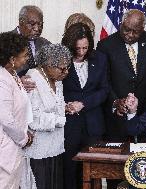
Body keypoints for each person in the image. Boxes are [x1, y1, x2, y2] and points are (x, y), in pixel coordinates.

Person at [96, 9, 146, 142]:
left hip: (145, 114)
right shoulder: (106, 45)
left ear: (142, 28)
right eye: (126, 29)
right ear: (121, 23)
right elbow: (104, 81)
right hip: (117, 117)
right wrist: (115, 102)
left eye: (136, 31)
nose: (130, 35)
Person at [61, 23, 109, 189]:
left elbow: (104, 90)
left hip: (93, 126)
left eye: (85, 48)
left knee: (92, 172)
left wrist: (83, 104)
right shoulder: (61, 59)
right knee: (69, 171)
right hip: (68, 125)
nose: (81, 52)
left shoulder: (100, 58)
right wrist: (66, 105)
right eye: (77, 48)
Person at [22, 44, 72, 189]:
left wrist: (65, 108)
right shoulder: (32, 79)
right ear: (47, 65)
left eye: (67, 67)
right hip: (38, 150)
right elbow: (33, 118)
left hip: (55, 147)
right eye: (62, 68)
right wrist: (60, 119)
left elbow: (56, 106)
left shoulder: (57, 80)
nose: (66, 72)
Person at [0, 32, 33, 189]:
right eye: (25, 55)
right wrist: (24, 138)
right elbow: (5, 119)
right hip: (4, 152)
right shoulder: (2, 80)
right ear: (12, 59)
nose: (27, 58)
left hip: (14, 149)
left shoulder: (12, 75)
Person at [11, 5, 51, 77]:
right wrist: (17, 80)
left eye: (40, 24)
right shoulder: (5, 42)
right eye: (32, 24)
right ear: (21, 22)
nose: (37, 28)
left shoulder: (46, 44)